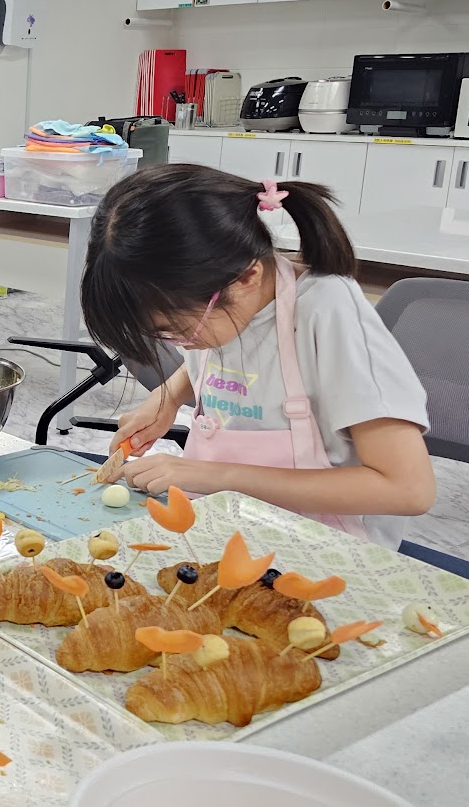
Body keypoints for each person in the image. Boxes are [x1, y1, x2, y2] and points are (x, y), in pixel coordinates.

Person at [80, 164, 435, 546]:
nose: (179, 343)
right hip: (231, 526)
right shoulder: (221, 303)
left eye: (176, 330)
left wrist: (216, 476)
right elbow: (223, 353)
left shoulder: (328, 315)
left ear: (246, 278)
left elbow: (408, 489)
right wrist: (168, 398)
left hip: (324, 547)